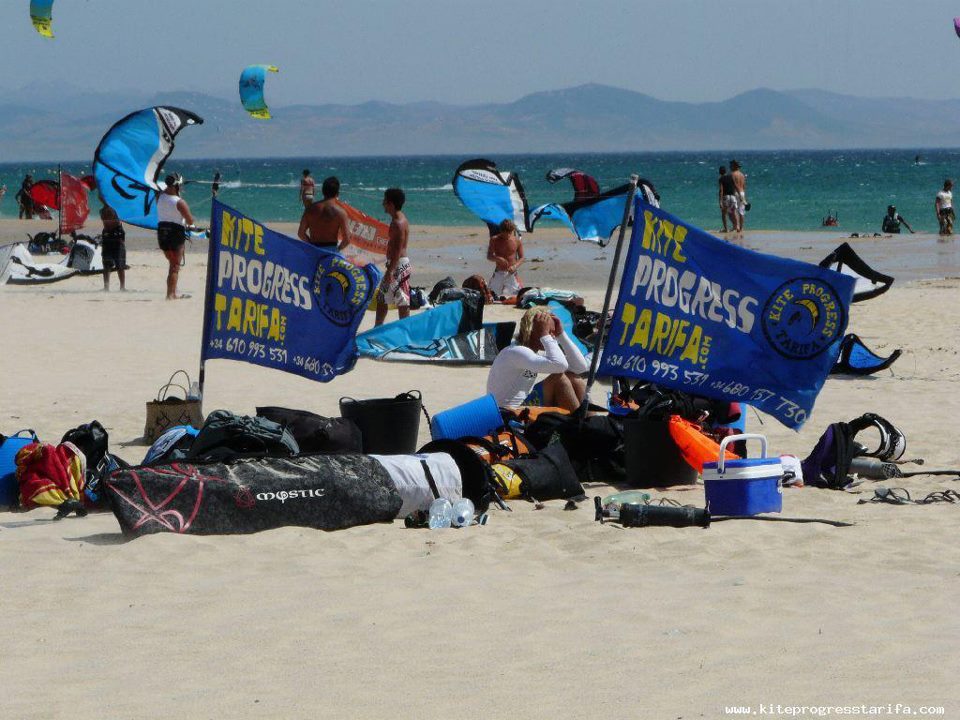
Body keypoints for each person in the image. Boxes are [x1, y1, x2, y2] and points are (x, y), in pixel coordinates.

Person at [486, 306, 589, 412]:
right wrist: (545, 335)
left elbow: (580, 367)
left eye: (553, 333)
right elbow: (560, 365)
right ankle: (580, 424)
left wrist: (561, 335)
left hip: (523, 405)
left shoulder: (533, 352)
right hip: (507, 412)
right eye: (549, 332)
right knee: (559, 378)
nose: (552, 337)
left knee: (573, 377)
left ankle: (591, 421)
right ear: (532, 330)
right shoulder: (516, 351)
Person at [375, 188, 411, 326]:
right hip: (394, 264)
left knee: (402, 299)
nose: (382, 203)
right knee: (382, 298)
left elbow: (398, 248)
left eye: (384, 201)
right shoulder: (396, 220)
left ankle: (405, 328)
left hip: (398, 265)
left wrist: (390, 270)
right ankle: (378, 326)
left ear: (390, 203)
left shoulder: (398, 223)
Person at [157, 173, 195, 299]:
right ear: (177, 185)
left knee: (172, 265)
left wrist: (176, 187)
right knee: (175, 267)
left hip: (162, 233)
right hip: (175, 234)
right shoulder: (180, 202)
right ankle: (171, 294)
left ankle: (172, 291)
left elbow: (167, 194)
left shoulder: (159, 196)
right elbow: (190, 221)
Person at [297, 176, 349, 250]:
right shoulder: (341, 212)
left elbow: (301, 233)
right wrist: (337, 250)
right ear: (337, 193)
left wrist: (312, 246)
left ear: (323, 191)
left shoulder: (310, 209)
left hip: (314, 250)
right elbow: (347, 239)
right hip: (331, 251)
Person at [487, 219, 525, 298]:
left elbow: (522, 258)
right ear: (501, 231)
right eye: (505, 233)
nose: (507, 235)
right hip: (499, 272)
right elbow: (489, 256)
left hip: (512, 273)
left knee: (516, 297)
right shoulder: (494, 240)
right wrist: (498, 259)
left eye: (509, 233)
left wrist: (515, 266)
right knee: (491, 295)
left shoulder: (516, 240)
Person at [100, 202, 126, 291]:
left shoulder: (113, 209)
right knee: (108, 264)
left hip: (115, 236)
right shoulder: (104, 210)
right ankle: (107, 287)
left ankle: (121, 287)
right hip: (110, 236)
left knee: (119, 264)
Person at [730, 160, 747, 231]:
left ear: (734, 166)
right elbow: (744, 186)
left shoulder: (733, 174)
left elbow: (734, 185)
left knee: (732, 210)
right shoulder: (742, 175)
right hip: (742, 192)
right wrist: (743, 196)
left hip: (736, 193)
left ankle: (736, 226)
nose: (730, 167)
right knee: (741, 211)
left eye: (731, 165)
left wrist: (738, 193)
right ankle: (741, 228)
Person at [718, 166, 737, 233]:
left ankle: (726, 229)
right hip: (733, 196)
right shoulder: (731, 176)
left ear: (720, 172)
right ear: (725, 171)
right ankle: (736, 227)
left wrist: (720, 201)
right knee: (733, 213)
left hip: (726, 197)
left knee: (724, 213)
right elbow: (735, 186)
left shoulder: (721, 178)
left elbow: (721, 190)